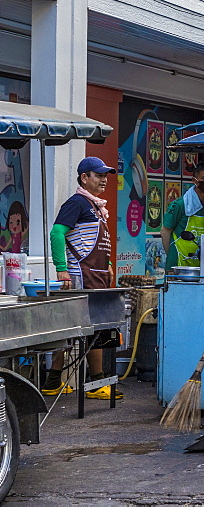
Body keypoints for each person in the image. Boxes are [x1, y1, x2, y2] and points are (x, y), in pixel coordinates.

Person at [44, 157, 119, 399]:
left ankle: (53, 381)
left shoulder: (95, 205)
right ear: (84, 178)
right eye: (98, 175)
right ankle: (97, 384)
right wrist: (61, 268)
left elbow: (94, 241)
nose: (104, 179)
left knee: (77, 329)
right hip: (79, 276)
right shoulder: (77, 203)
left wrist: (107, 264)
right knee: (89, 328)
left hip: (95, 275)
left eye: (105, 175)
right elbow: (57, 233)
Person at [161, 162, 204, 271]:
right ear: (194, 180)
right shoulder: (180, 205)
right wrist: (172, 253)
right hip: (178, 261)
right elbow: (165, 231)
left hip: (203, 263)